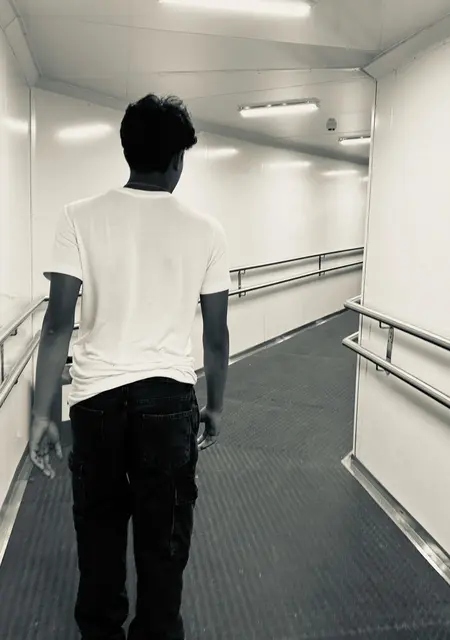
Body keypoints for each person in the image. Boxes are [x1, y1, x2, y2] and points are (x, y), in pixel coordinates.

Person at [29, 94, 231, 640]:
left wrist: (43, 414)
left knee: (98, 540)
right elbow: (215, 336)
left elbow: (57, 326)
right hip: (169, 403)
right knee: (164, 546)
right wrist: (214, 406)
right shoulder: (207, 231)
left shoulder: (77, 217)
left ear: (127, 150)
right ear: (178, 160)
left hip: (94, 404)